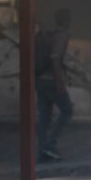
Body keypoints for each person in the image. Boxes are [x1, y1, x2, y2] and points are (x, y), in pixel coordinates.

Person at [35, 8, 74, 162]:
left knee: (45, 116)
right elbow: (55, 59)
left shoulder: (47, 34)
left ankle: (43, 149)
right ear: (68, 20)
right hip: (51, 80)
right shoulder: (61, 35)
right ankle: (50, 145)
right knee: (67, 111)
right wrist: (59, 82)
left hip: (40, 80)